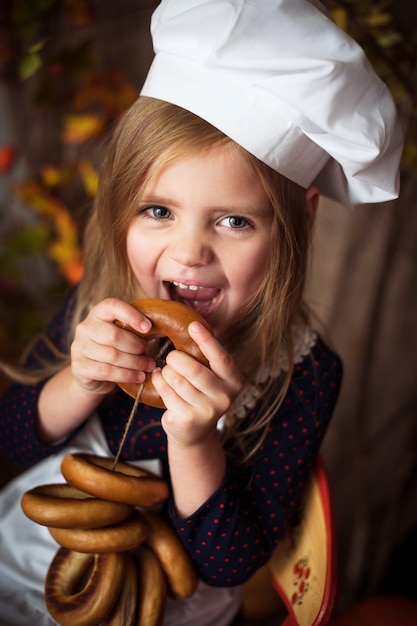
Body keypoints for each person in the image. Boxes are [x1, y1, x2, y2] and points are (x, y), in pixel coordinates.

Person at [0, 0, 402, 625]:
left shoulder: (303, 374)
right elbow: (12, 441)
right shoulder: (100, 307)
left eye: (234, 220)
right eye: (158, 210)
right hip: (33, 563)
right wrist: (77, 382)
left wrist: (192, 441)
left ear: (301, 220)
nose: (189, 253)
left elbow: (229, 563)